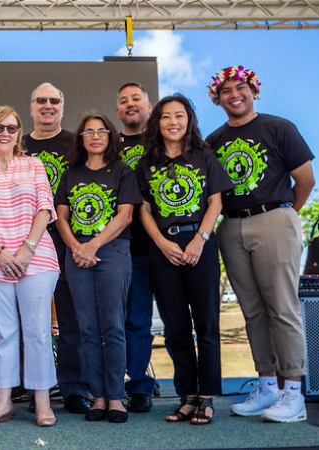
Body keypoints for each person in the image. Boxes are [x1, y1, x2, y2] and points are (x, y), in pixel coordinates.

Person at [205, 66, 315, 423]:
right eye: (226, 91)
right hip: (231, 226)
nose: (235, 95)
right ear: (217, 98)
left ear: (253, 90)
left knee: (283, 308)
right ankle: (267, 386)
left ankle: (293, 394)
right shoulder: (214, 139)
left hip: (274, 219)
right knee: (252, 312)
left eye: (241, 88)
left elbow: (305, 180)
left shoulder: (279, 127)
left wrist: (283, 217)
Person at [136, 94, 233, 425]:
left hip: (200, 244)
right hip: (164, 249)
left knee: (206, 323)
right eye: (165, 116)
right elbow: (144, 210)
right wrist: (162, 242)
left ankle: (206, 396)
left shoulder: (205, 157)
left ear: (189, 120)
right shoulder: (146, 163)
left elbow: (216, 203)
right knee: (175, 327)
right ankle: (187, 396)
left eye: (180, 115)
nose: (173, 122)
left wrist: (199, 240)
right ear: (157, 122)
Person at [0, 106, 60, 427]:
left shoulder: (34, 165)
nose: (5, 133)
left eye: (12, 128)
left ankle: (43, 402)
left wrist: (26, 251)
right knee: (3, 334)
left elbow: (45, 208)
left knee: (38, 332)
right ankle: (3, 402)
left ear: (19, 134)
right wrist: (0, 253)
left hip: (37, 258)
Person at [56, 112, 141, 423]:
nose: (94, 136)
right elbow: (61, 217)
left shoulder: (122, 172)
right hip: (76, 254)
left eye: (101, 131)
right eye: (88, 131)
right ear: (80, 138)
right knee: (87, 330)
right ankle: (99, 397)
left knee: (113, 327)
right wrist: (77, 247)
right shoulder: (70, 174)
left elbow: (125, 216)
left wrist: (92, 246)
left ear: (110, 136)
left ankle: (117, 397)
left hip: (113, 252)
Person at [22, 82, 89, 415]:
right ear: (31, 107)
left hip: (66, 240)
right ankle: (26, 386)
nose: (47, 105)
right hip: (22, 243)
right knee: (25, 319)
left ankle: (74, 388)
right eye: (40, 100)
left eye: (54, 100)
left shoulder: (77, 144)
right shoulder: (17, 144)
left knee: (71, 318)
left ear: (62, 107)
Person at [115, 82, 163, 409]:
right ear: (117, 110)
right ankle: (138, 386)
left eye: (136, 99)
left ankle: (194, 389)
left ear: (149, 105)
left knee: (176, 321)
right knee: (135, 320)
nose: (130, 104)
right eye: (123, 101)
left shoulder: (167, 140)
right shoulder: (109, 146)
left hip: (169, 243)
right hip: (130, 246)